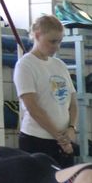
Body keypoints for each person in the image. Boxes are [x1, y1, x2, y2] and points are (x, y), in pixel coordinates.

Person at [13, 14, 78, 168]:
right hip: (37, 139)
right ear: (37, 36)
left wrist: (71, 128)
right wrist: (59, 137)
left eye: (59, 41)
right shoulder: (25, 65)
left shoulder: (59, 65)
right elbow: (33, 108)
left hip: (63, 140)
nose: (56, 46)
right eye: (52, 41)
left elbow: (72, 103)